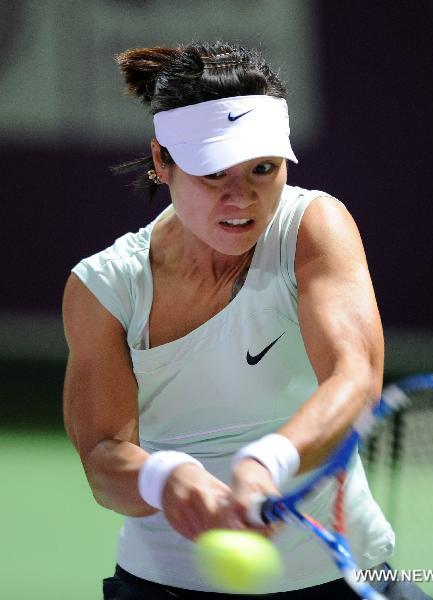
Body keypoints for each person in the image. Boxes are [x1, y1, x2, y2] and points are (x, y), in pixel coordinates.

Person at [63, 41, 409, 600]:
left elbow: (356, 379)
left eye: (263, 169)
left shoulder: (312, 227)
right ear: (162, 162)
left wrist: (268, 460)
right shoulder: (105, 287)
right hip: (166, 587)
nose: (240, 198)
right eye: (213, 173)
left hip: (346, 580)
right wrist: (166, 477)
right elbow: (103, 462)